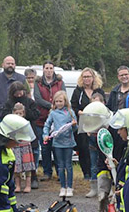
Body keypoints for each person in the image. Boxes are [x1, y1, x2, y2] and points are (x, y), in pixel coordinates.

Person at [71, 67, 106, 198]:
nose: (87, 79)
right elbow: (74, 106)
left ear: (93, 77)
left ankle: (104, 187)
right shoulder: (77, 91)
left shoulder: (99, 91)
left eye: (89, 76)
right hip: (84, 125)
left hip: (99, 127)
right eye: (84, 77)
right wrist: (81, 113)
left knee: (101, 158)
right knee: (86, 152)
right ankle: (90, 182)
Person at [34, 61, 64, 180]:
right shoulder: (38, 83)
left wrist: (57, 107)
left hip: (57, 121)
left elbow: (63, 95)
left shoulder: (60, 82)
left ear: (53, 69)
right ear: (43, 69)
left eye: (51, 68)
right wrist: (52, 106)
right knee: (45, 148)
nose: (49, 70)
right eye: (46, 68)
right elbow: (38, 99)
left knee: (57, 148)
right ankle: (47, 172)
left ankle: (60, 172)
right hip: (41, 120)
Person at [44, 91, 77, 196]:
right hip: (57, 142)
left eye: (60, 101)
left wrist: (74, 125)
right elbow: (47, 125)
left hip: (68, 142)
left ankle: (70, 187)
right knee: (60, 165)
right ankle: (62, 187)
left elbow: (75, 128)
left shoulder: (70, 112)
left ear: (65, 101)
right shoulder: (53, 113)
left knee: (69, 165)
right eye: (56, 101)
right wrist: (45, 134)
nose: (59, 103)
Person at [0, 56, 27, 123]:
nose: (10, 65)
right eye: (8, 63)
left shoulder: (22, 79)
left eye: (12, 64)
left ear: (15, 65)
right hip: (0, 115)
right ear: (2, 65)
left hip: (19, 116)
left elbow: (28, 94)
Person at [11, 103, 36, 193]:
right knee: (16, 167)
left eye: (20, 113)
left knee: (27, 167)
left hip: (25, 146)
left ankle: (28, 185)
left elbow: (30, 135)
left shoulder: (26, 123)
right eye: (16, 113)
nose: (18, 115)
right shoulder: (11, 123)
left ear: (23, 113)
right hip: (15, 146)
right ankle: (17, 186)